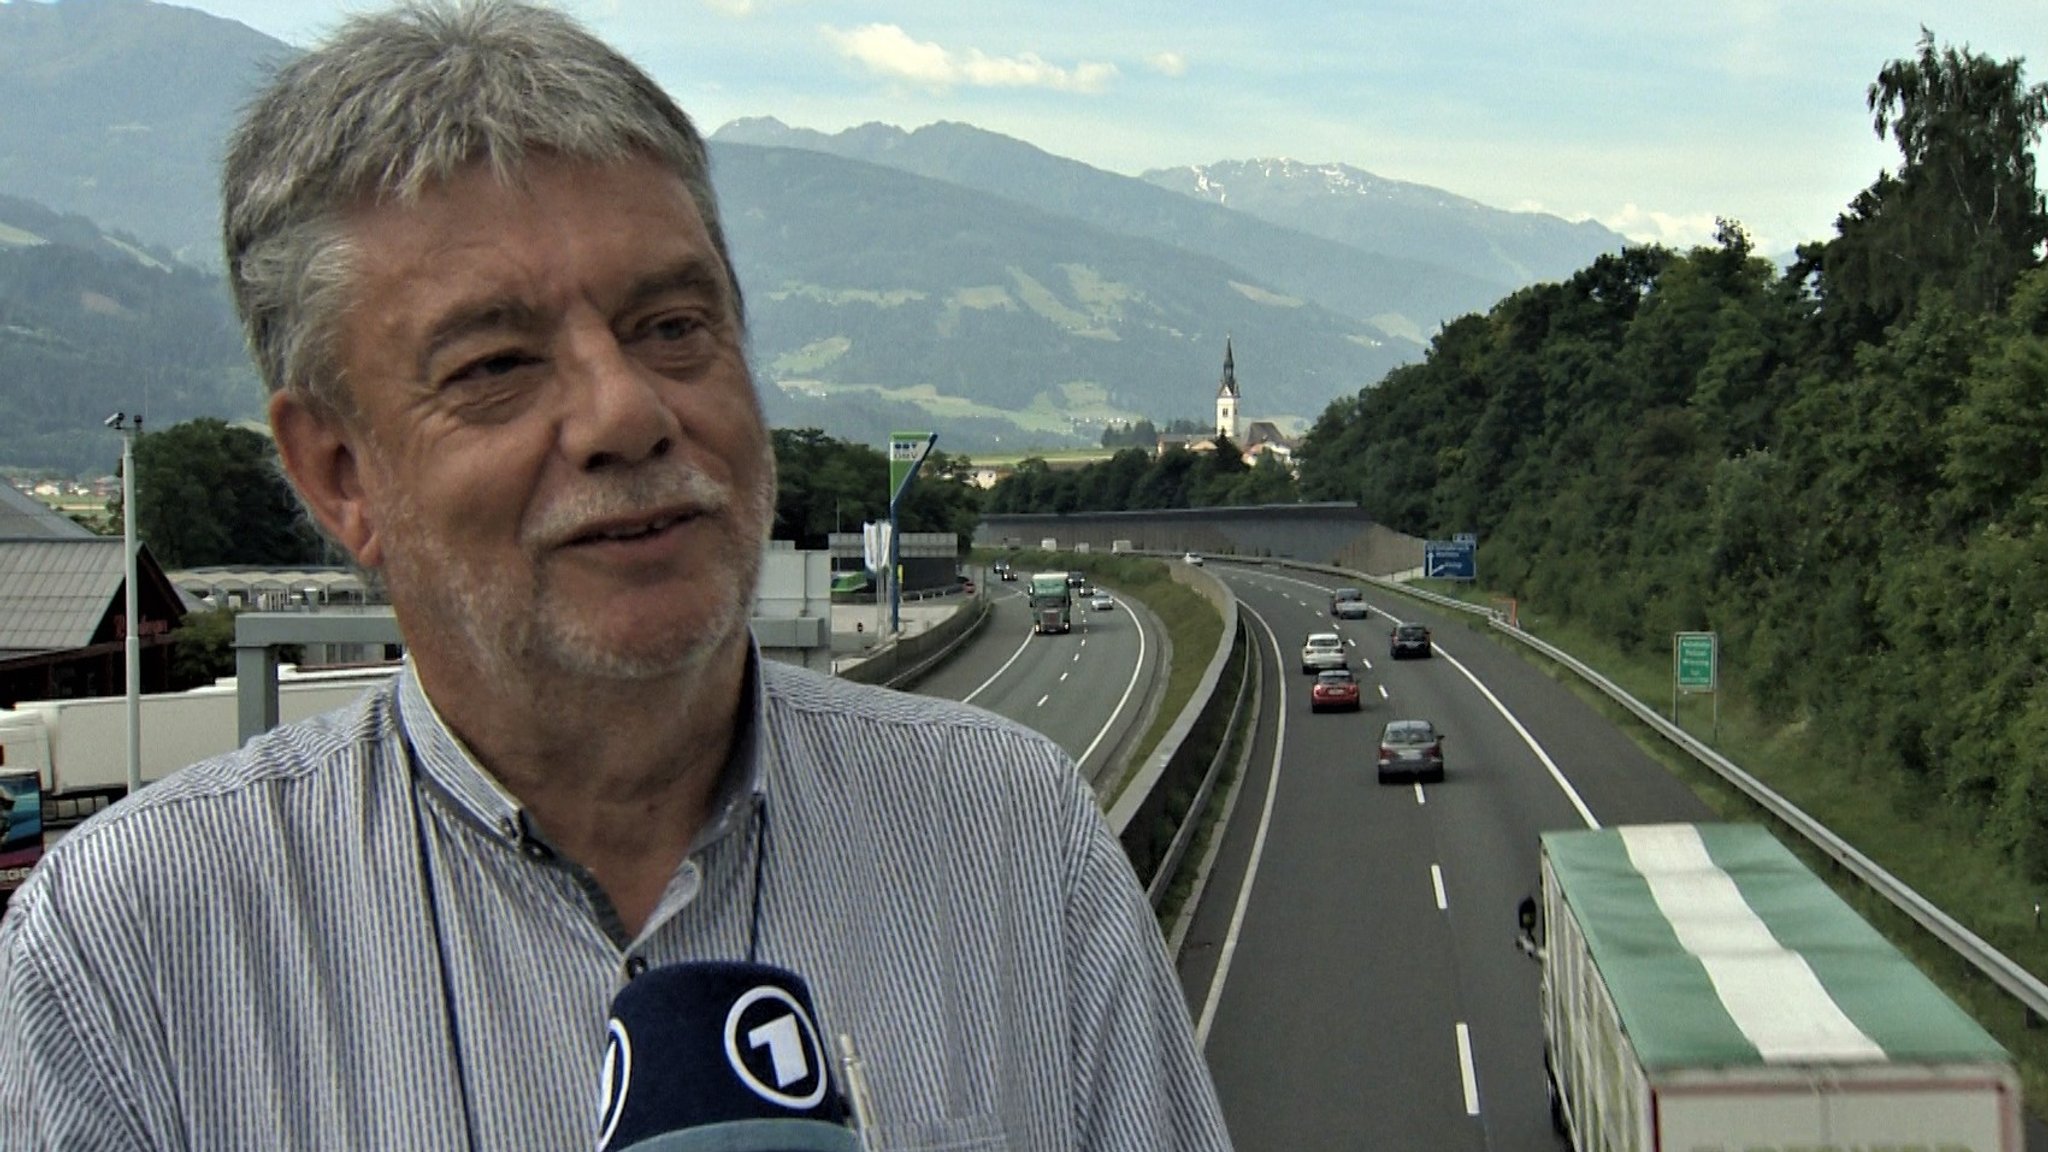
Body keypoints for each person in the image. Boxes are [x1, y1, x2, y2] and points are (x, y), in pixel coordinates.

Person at [0, 2, 1233, 1148]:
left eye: (671, 327)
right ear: (340, 474)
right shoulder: (134, 954)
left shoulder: (1015, 842)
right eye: (494, 364)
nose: (626, 411)